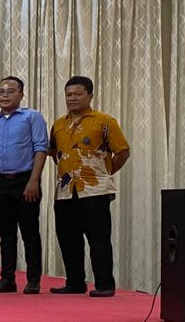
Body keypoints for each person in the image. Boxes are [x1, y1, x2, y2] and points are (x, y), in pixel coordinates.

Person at [50, 75, 131, 297]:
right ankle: (75, 282)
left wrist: (104, 172)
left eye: (78, 94)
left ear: (90, 96)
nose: (72, 98)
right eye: (69, 94)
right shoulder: (58, 124)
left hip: (95, 191)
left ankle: (104, 284)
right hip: (65, 191)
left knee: (98, 239)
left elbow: (123, 152)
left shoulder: (104, 122)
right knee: (68, 239)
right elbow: (54, 153)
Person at [0, 76, 50, 294]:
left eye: (10, 91)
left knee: (30, 232)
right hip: (1, 182)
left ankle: (33, 280)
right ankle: (7, 279)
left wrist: (34, 181)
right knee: (6, 234)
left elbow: (41, 148)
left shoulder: (32, 117)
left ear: (21, 94)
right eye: (1, 91)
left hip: (26, 180)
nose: (5, 95)